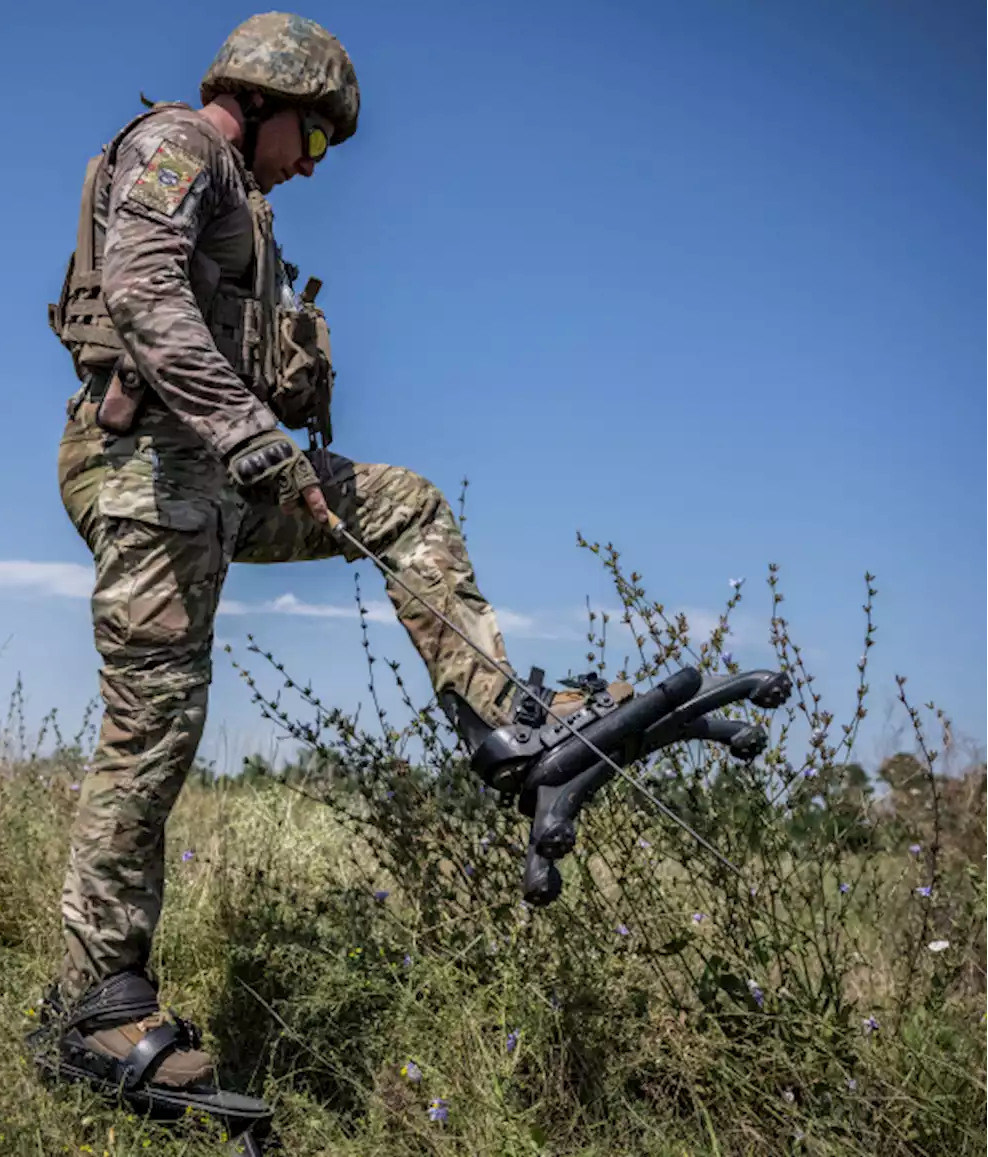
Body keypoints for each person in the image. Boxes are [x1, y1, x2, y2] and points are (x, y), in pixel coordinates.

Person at [45, 12, 632, 1095]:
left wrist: (263, 443)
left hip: (220, 477)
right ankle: (95, 1012)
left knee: (404, 505)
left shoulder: (244, 194)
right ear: (266, 101)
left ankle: (508, 724)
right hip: (148, 478)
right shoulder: (178, 144)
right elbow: (139, 288)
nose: (314, 168)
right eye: (314, 142)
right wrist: (252, 435)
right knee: (153, 732)